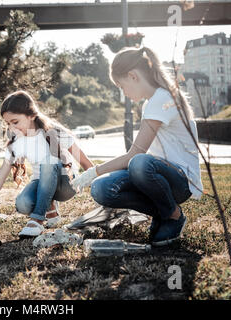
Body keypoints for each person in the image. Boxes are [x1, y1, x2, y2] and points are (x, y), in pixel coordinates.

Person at [72, 47, 203, 246]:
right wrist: (97, 176)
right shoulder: (151, 102)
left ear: (132, 76)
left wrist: (93, 171)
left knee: (139, 163)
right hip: (159, 175)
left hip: (180, 181)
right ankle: (163, 212)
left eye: (121, 86)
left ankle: (173, 215)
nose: (123, 93)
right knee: (102, 188)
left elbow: (135, 154)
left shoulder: (162, 99)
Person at [0, 90, 94, 238]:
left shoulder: (54, 131)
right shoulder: (16, 142)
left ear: (32, 115)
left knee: (48, 162)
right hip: (41, 183)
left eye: (15, 122)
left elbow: (86, 163)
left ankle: (37, 220)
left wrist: (98, 192)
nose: (11, 128)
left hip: (66, 184)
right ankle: (49, 205)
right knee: (22, 204)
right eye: (8, 124)